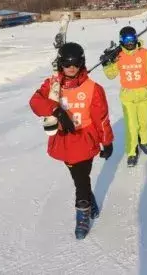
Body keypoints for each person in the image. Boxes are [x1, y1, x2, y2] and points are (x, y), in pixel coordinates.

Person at [28, 42, 114, 240]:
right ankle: (88, 195)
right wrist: (55, 109)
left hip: (84, 138)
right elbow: (35, 101)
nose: (71, 68)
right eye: (67, 64)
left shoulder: (93, 88)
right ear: (61, 65)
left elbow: (102, 118)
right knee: (78, 176)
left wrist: (106, 142)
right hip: (64, 139)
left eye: (75, 64)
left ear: (82, 63)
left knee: (81, 178)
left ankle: (82, 211)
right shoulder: (53, 85)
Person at [101, 26, 147, 167]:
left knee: (144, 123)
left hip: (144, 94)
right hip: (128, 97)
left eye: (132, 38)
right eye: (125, 39)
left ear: (136, 38)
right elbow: (111, 75)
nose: (129, 42)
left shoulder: (146, 54)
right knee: (132, 127)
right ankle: (132, 152)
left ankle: (144, 141)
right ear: (121, 40)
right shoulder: (118, 56)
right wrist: (106, 63)